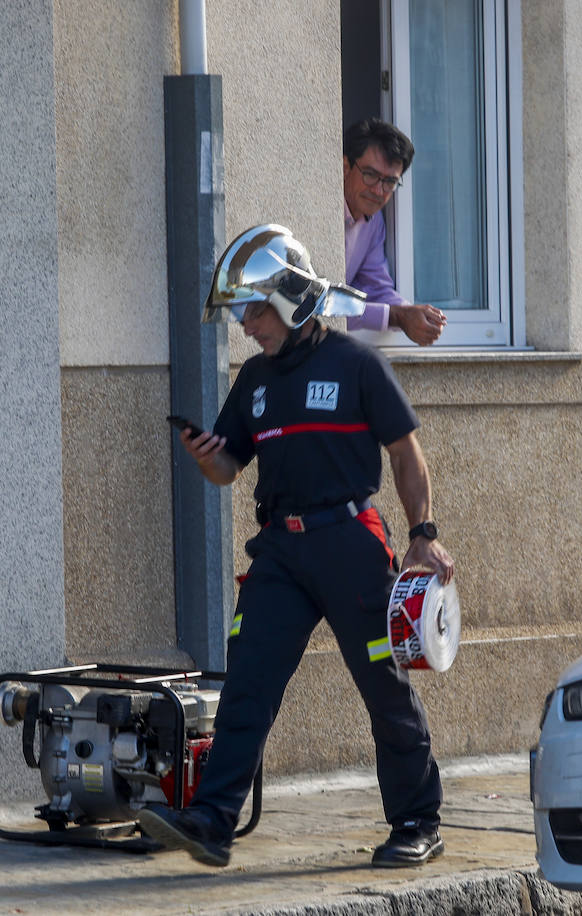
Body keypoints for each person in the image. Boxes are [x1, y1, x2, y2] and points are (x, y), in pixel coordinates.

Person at [138, 224, 455, 870]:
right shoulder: (254, 379)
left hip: (350, 546)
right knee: (248, 683)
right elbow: (230, 468)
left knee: (384, 687)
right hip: (280, 554)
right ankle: (213, 821)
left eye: (253, 311)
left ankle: (418, 821)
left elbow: (405, 453)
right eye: (243, 314)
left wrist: (424, 534)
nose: (247, 327)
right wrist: (208, 457)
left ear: (290, 298)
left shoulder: (358, 365)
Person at [342, 118, 447, 346]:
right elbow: (322, 303)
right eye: (370, 175)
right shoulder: (320, 214)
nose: (379, 190)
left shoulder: (373, 221)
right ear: (345, 167)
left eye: (390, 182)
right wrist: (397, 316)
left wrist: (415, 314)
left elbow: (376, 288)